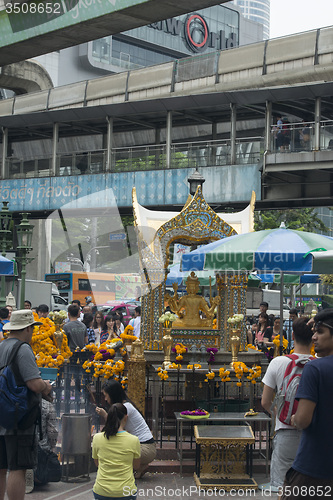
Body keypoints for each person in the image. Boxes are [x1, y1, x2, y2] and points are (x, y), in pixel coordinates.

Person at [0, 310, 53, 500]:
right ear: (28, 328)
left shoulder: (1, 346)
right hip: (19, 419)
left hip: (1, 415)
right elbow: (33, 383)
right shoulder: (22, 349)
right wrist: (46, 385)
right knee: (18, 468)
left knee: (1, 467)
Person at [280, 309, 333, 499]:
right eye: (313, 332)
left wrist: (295, 418)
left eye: (320, 332)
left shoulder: (314, 368)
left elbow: (303, 420)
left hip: (314, 465)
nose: (314, 337)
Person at [261, 317, 315, 492]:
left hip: (284, 432)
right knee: (311, 487)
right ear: (313, 336)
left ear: (292, 335)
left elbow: (265, 401)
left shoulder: (278, 362)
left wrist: (281, 413)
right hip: (313, 434)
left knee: (282, 487)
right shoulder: (319, 365)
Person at [96, 380, 156, 480]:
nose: (105, 399)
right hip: (146, 447)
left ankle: (135, 467)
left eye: (106, 396)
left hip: (146, 448)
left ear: (113, 395)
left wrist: (105, 415)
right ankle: (140, 467)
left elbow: (114, 427)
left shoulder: (124, 408)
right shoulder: (124, 405)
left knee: (116, 449)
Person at [92, 402, 140, 500]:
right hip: (126, 492)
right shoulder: (134, 440)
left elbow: (97, 463)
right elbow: (136, 466)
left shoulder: (97, 438)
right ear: (126, 418)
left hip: (101, 491)